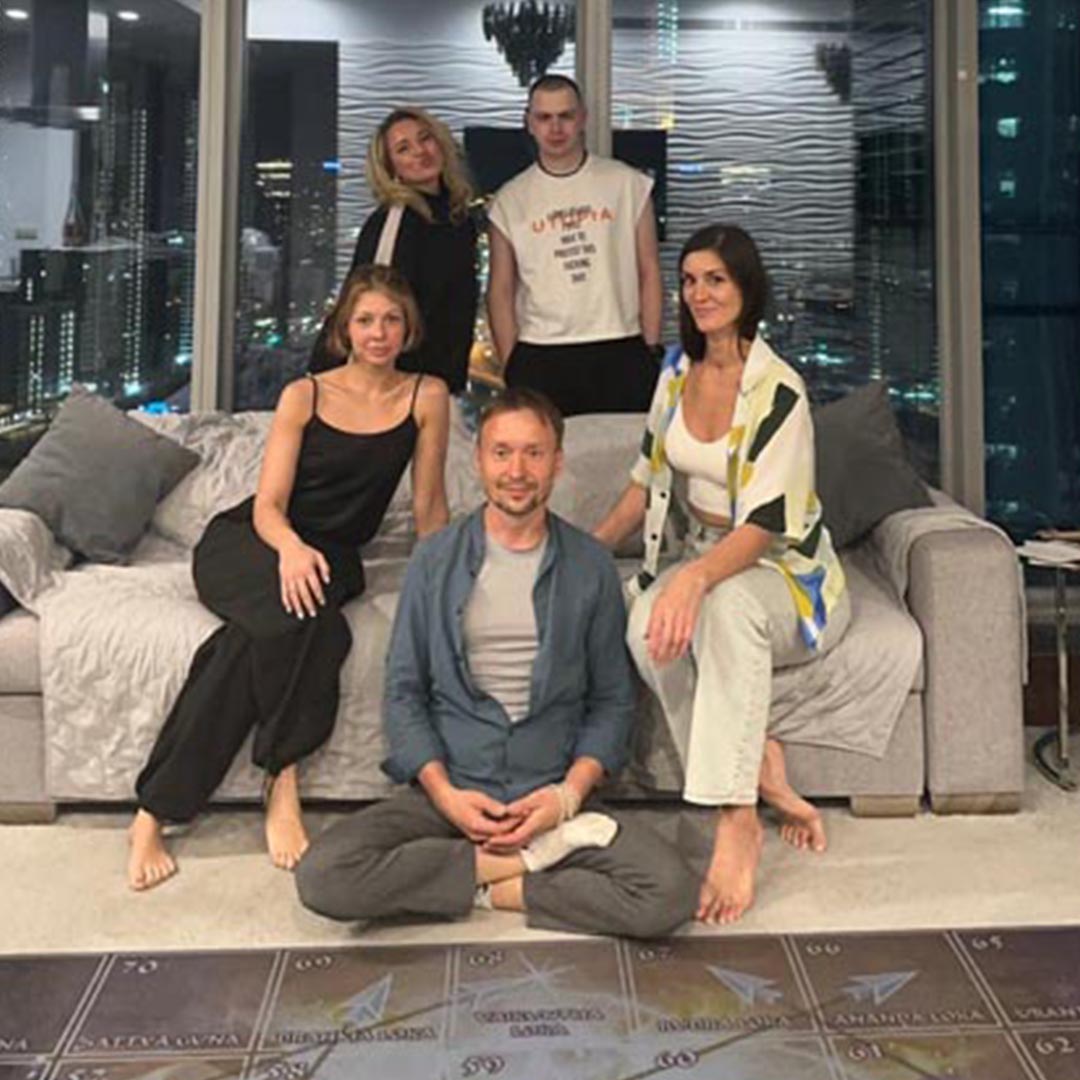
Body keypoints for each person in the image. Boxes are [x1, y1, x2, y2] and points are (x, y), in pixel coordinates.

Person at [296, 388, 697, 938]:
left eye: (534, 453)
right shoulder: (434, 560)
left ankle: (487, 884)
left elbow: (612, 702)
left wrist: (566, 798)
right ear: (479, 461)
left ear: (557, 462)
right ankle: (522, 867)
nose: (517, 471)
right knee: (323, 876)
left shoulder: (590, 565)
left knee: (669, 893)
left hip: (552, 799)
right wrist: (446, 796)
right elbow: (404, 692)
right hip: (451, 796)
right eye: (502, 452)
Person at [128, 265, 451, 891]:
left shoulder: (426, 396)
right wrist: (291, 551)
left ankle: (154, 810)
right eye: (365, 320)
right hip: (253, 541)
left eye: (391, 320)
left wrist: (440, 586)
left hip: (334, 557)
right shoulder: (305, 395)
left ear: (408, 329)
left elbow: (430, 509)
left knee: (246, 645)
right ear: (344, 329)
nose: (378, 332)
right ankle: (283, 778)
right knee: (314, 628)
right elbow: (268, 506)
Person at [593, 224, 851, 926]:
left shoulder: (778, 391)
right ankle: (759, 766)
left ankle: (735, 821)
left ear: (746, 289)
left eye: (716, 280)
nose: (699, 293)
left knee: (728, 608)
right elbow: (644, 481)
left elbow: (764, 525)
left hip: (787, 577)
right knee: (645, 628)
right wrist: (586, 549)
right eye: (689, 280)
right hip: (707, 558)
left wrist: (693, 580)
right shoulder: (676, 373)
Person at [486, 74, 663, 417]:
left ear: (582, 118)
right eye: (544, 117)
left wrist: (650, 345)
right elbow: (500, 289)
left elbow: (649, 269)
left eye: (565, 116)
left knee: (625, 449)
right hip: (540, 350)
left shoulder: (627, 184)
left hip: (621, 345)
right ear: (529, 123)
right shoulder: (510, 200)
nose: (555, 128)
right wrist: (512, 363)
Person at [310, 107, 478, 394]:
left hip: (438, 382)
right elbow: (370, 306)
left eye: (425, 138)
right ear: (391, 169)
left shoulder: (457, 219)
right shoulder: (396, 221)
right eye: (403, 148)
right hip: (388, 385)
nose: (419, 151)